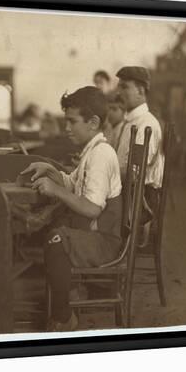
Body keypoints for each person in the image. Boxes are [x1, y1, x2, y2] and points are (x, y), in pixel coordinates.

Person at [20, 86, 122, 331]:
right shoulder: (92, 150)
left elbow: (92, 209)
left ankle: (64, 316)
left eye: (71, 121)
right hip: (94, 232)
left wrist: (55, 190)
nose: (66, 128)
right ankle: (65, 294)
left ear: (93, 122)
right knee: (54, 229)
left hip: (105, 240)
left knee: (56, 239)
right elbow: (73, 183)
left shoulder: (101, 154)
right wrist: (51, 171)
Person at [115, 66, 164, 215]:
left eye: (124, 87)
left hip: (140, 201)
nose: (119, 92)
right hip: (128, 192)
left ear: (141, 90)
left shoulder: (145, 125)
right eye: (119, 87)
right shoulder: (131, 121)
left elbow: (134, 174)